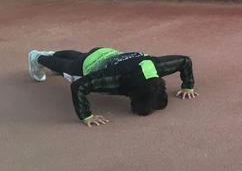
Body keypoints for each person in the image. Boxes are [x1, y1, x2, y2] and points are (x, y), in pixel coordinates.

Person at [27, 48, 197, 127]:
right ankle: (37, 57)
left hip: (106, 52)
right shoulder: (113, 79)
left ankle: (53, 53)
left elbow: (184, 60)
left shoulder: (155, 67)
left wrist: (188, 86)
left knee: (78, 56)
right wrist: (86, 116)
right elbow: (79, 86)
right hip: (90, 65)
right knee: (66, 68)